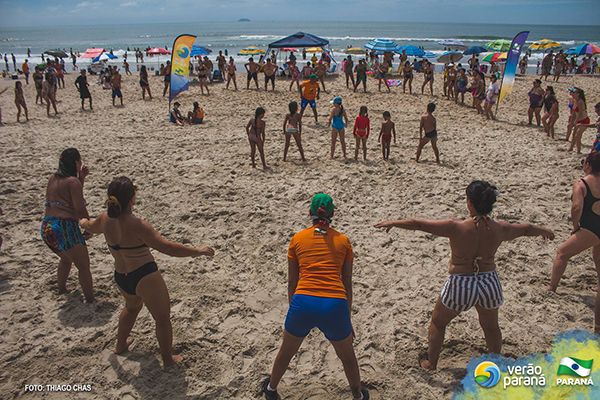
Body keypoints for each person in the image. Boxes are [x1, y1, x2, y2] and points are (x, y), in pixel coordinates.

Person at [374, 181, 554, 370]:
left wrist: (393, 222)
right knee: (491, 327)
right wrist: (545, 231)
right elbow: (526, 228)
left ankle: (431, 363)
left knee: (438, 322)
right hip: (488, 282)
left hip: (461, 283)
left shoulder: (455, 227)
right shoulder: (499, 228)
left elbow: (420, 224)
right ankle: (496, 362)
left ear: (469, 202)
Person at [80, 176, 214, 369]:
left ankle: (120, 345)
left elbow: (90, 226)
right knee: (162, 318)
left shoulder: (104, 219)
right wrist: (197, 251)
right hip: (144, 276)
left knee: (131, 308)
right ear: (132, 199)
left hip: (122, 277)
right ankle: (168, 360)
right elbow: (168, 248)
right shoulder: (138, 225)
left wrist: (83, 222)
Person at [263, 193, 370, 400]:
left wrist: (292, 310)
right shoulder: (344, 241)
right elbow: (346, 281)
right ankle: (358, 396)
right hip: (335, 303)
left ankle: (271, 390)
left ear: (309, 213)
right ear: (333, 214)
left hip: (303, 301)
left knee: (286, 352)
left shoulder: (297, 239)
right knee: (347, 357)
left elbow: (292, 282)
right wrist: (347, 317)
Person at [549, 151, 600, 333]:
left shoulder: (581, 182)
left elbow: (577, 206)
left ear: (588, 165)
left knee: (563, 253)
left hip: (592, 226)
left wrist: (575, 225)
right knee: (596, 255)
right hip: (597, 228)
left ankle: (551, 287)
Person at [41, 148, 96, 303]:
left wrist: (81, 178)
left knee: (66, 258)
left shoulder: (53, 178)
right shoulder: (73, 182)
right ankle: (91, 299)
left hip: (47, 227)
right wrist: (88, 226)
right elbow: (79, 207)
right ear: (76, 163)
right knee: (83, 265)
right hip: (64, 227)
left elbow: (67, 196)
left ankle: (62, 288)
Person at [568, 88, 590, 154]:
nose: (572, 93)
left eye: (574, 92)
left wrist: (576, 121)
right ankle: (570, 148)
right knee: (574, 134)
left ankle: (578, 151)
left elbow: (580, 113)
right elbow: (574, 112)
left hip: (584, 120)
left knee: (578, 135)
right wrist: (571, 121)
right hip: (578, 120)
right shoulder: (575, 100)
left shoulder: (580, 102)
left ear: (578, 94)